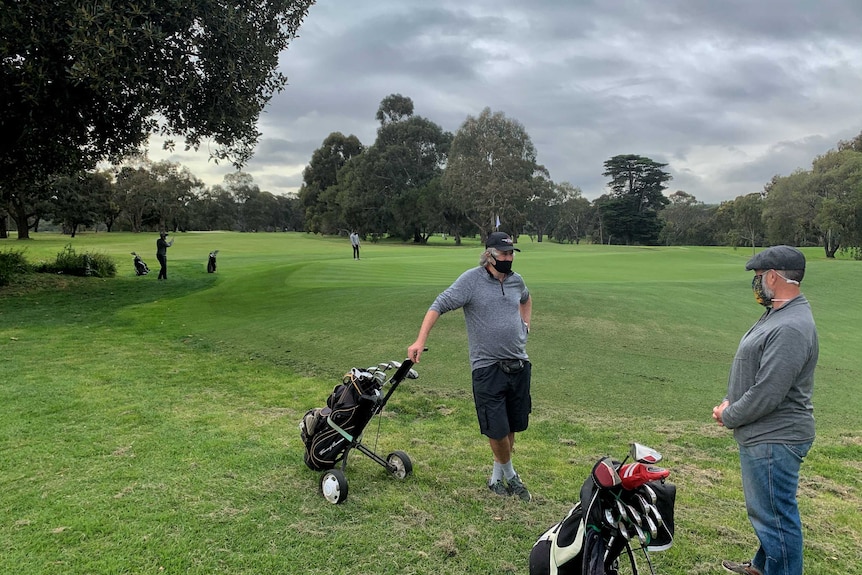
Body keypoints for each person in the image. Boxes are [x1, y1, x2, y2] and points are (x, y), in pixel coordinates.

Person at [712, 245, 818, 575]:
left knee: (776, 520)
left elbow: (768, 393)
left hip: (775, 438)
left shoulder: (790, 326)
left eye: (758, 277)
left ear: (772, 276)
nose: (756, 284)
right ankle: (761, 567)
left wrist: (728, 414)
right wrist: (734, 400)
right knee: (771, 511)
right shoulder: (780, 313)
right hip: (765, 434)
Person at [408, 231, 533, 501]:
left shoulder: (516, 281)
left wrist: (525, 325)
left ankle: (496, 478)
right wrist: (420, 340)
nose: (509, 258)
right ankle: (512, 477)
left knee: (511, 427)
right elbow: (438, 305)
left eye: (511, 253)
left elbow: (526, 299)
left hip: (519, 364)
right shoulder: (471, 281)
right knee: (496, 429)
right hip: (487, 368)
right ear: (489, 255)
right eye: (503, 254)